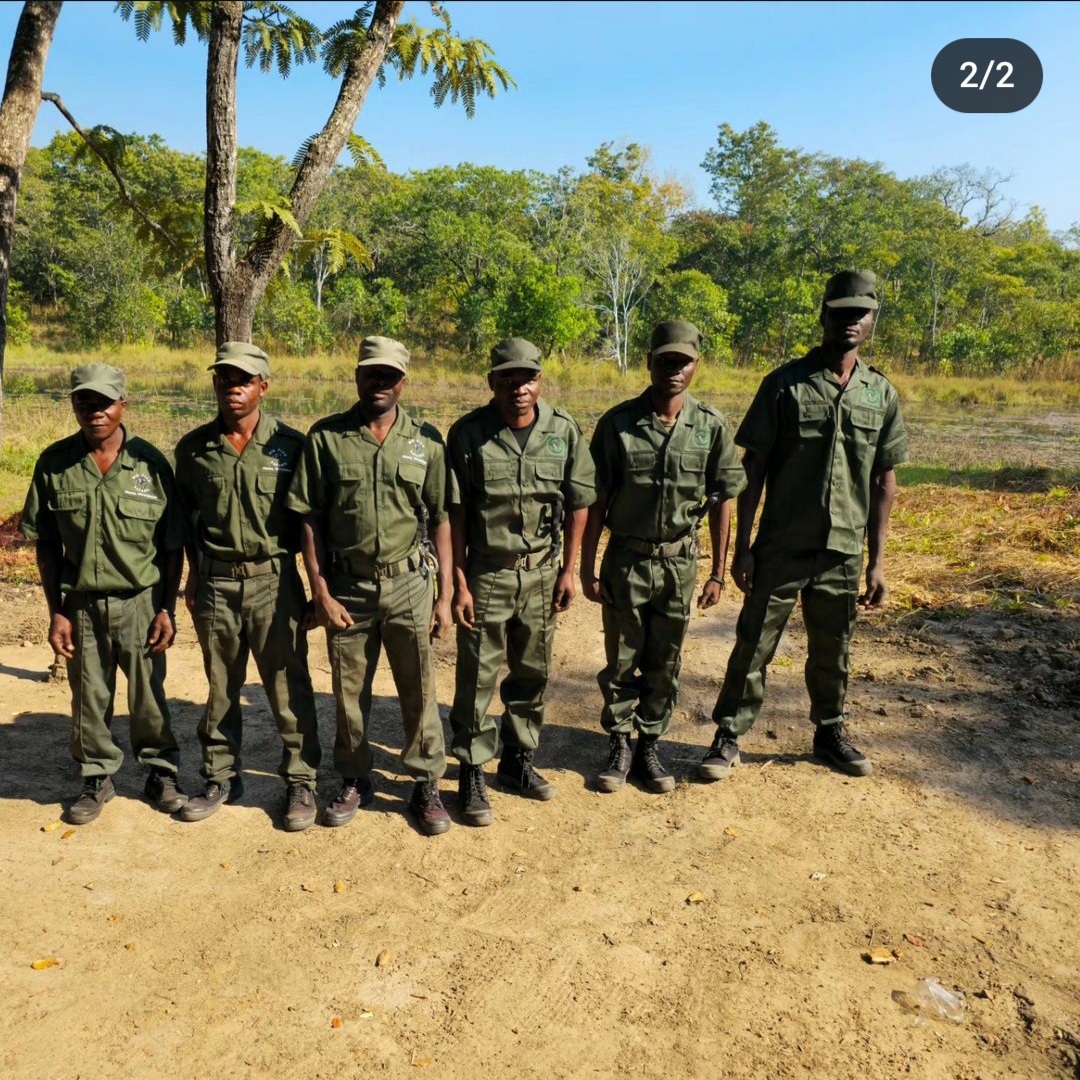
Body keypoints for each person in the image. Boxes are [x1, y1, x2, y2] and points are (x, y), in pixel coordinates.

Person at [699, 270, 908, 782]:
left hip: (842, 551)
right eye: (841, 311)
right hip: (781, 547)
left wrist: (877, 562)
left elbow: (884, 480)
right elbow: (754, 469)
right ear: (823, 315)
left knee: (834, 648)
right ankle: (727, 736)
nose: (850, 321)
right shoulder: (784, 385)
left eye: (861, 313)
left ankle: (830, 731)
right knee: (753, 643)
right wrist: (742, 548)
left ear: (873, 320)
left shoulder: (880, 395)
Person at [287, 335, 453, 836]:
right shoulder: (327, 439)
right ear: (356, 377)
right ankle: (355, 777)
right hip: (347, 588)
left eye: (387, 375)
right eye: (369, 373)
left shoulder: (425, 441)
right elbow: (309, 518)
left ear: (402, 381)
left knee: (418, 688)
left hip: (409, 584)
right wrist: (318, 588)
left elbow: (443, 517)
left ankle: (425, 783)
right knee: (349, 690)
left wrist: (444, 595)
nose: (377, 383)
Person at [580, 321, 746, 793]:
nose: (673, 371)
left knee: (665, 659)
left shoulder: (710, 427)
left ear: (696, 366)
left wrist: (717, 572)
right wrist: (587, 569)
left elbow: (723, 499)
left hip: (679, 564)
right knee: (621, 658)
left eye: (683, 363)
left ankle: (650, 744)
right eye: (665, 361)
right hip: (626, 559)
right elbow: (597, 502)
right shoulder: (617, 425)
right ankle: (618, 744)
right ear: (648, 362)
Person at [19, 363, 186, 824]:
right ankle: (96, 777)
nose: (94, 411)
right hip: (83, 604)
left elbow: (172, 547)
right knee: (88, 696)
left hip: (141, 601)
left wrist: (167, 608)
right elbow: (48, 545)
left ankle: (160, 772)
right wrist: (56, 612)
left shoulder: (151, 464)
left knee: (149, 695)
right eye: (84, 402)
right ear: (74, 406)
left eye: (104, 402)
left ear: (123, 406)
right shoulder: (55, 464)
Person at [446, 338, 596, 827]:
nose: (518, 389)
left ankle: (516, 760)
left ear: (540, 380)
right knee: (477, 678)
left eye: (527, 378)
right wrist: (459, 583)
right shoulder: (469, 435)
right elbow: (457, 514)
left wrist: (569, 570)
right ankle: (471, 768)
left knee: (532, 673)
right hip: (488, 572)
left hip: (541, 572)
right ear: (492, 382)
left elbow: (579, 502)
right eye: (507, 379)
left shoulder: (564, 430)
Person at [173, 342, 321, 831]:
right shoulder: (194, 450)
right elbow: (188, 521)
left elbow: (308, 523)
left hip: (274, 583)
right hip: (216, 582)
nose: (232, 388)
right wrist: (195, 575)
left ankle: (300, 781)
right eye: (224, 378)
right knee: (220, 687)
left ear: (263, 385)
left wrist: (318, 587)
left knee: (286, 685)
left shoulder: (291, 447)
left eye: (243, 380)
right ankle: (219, 776)